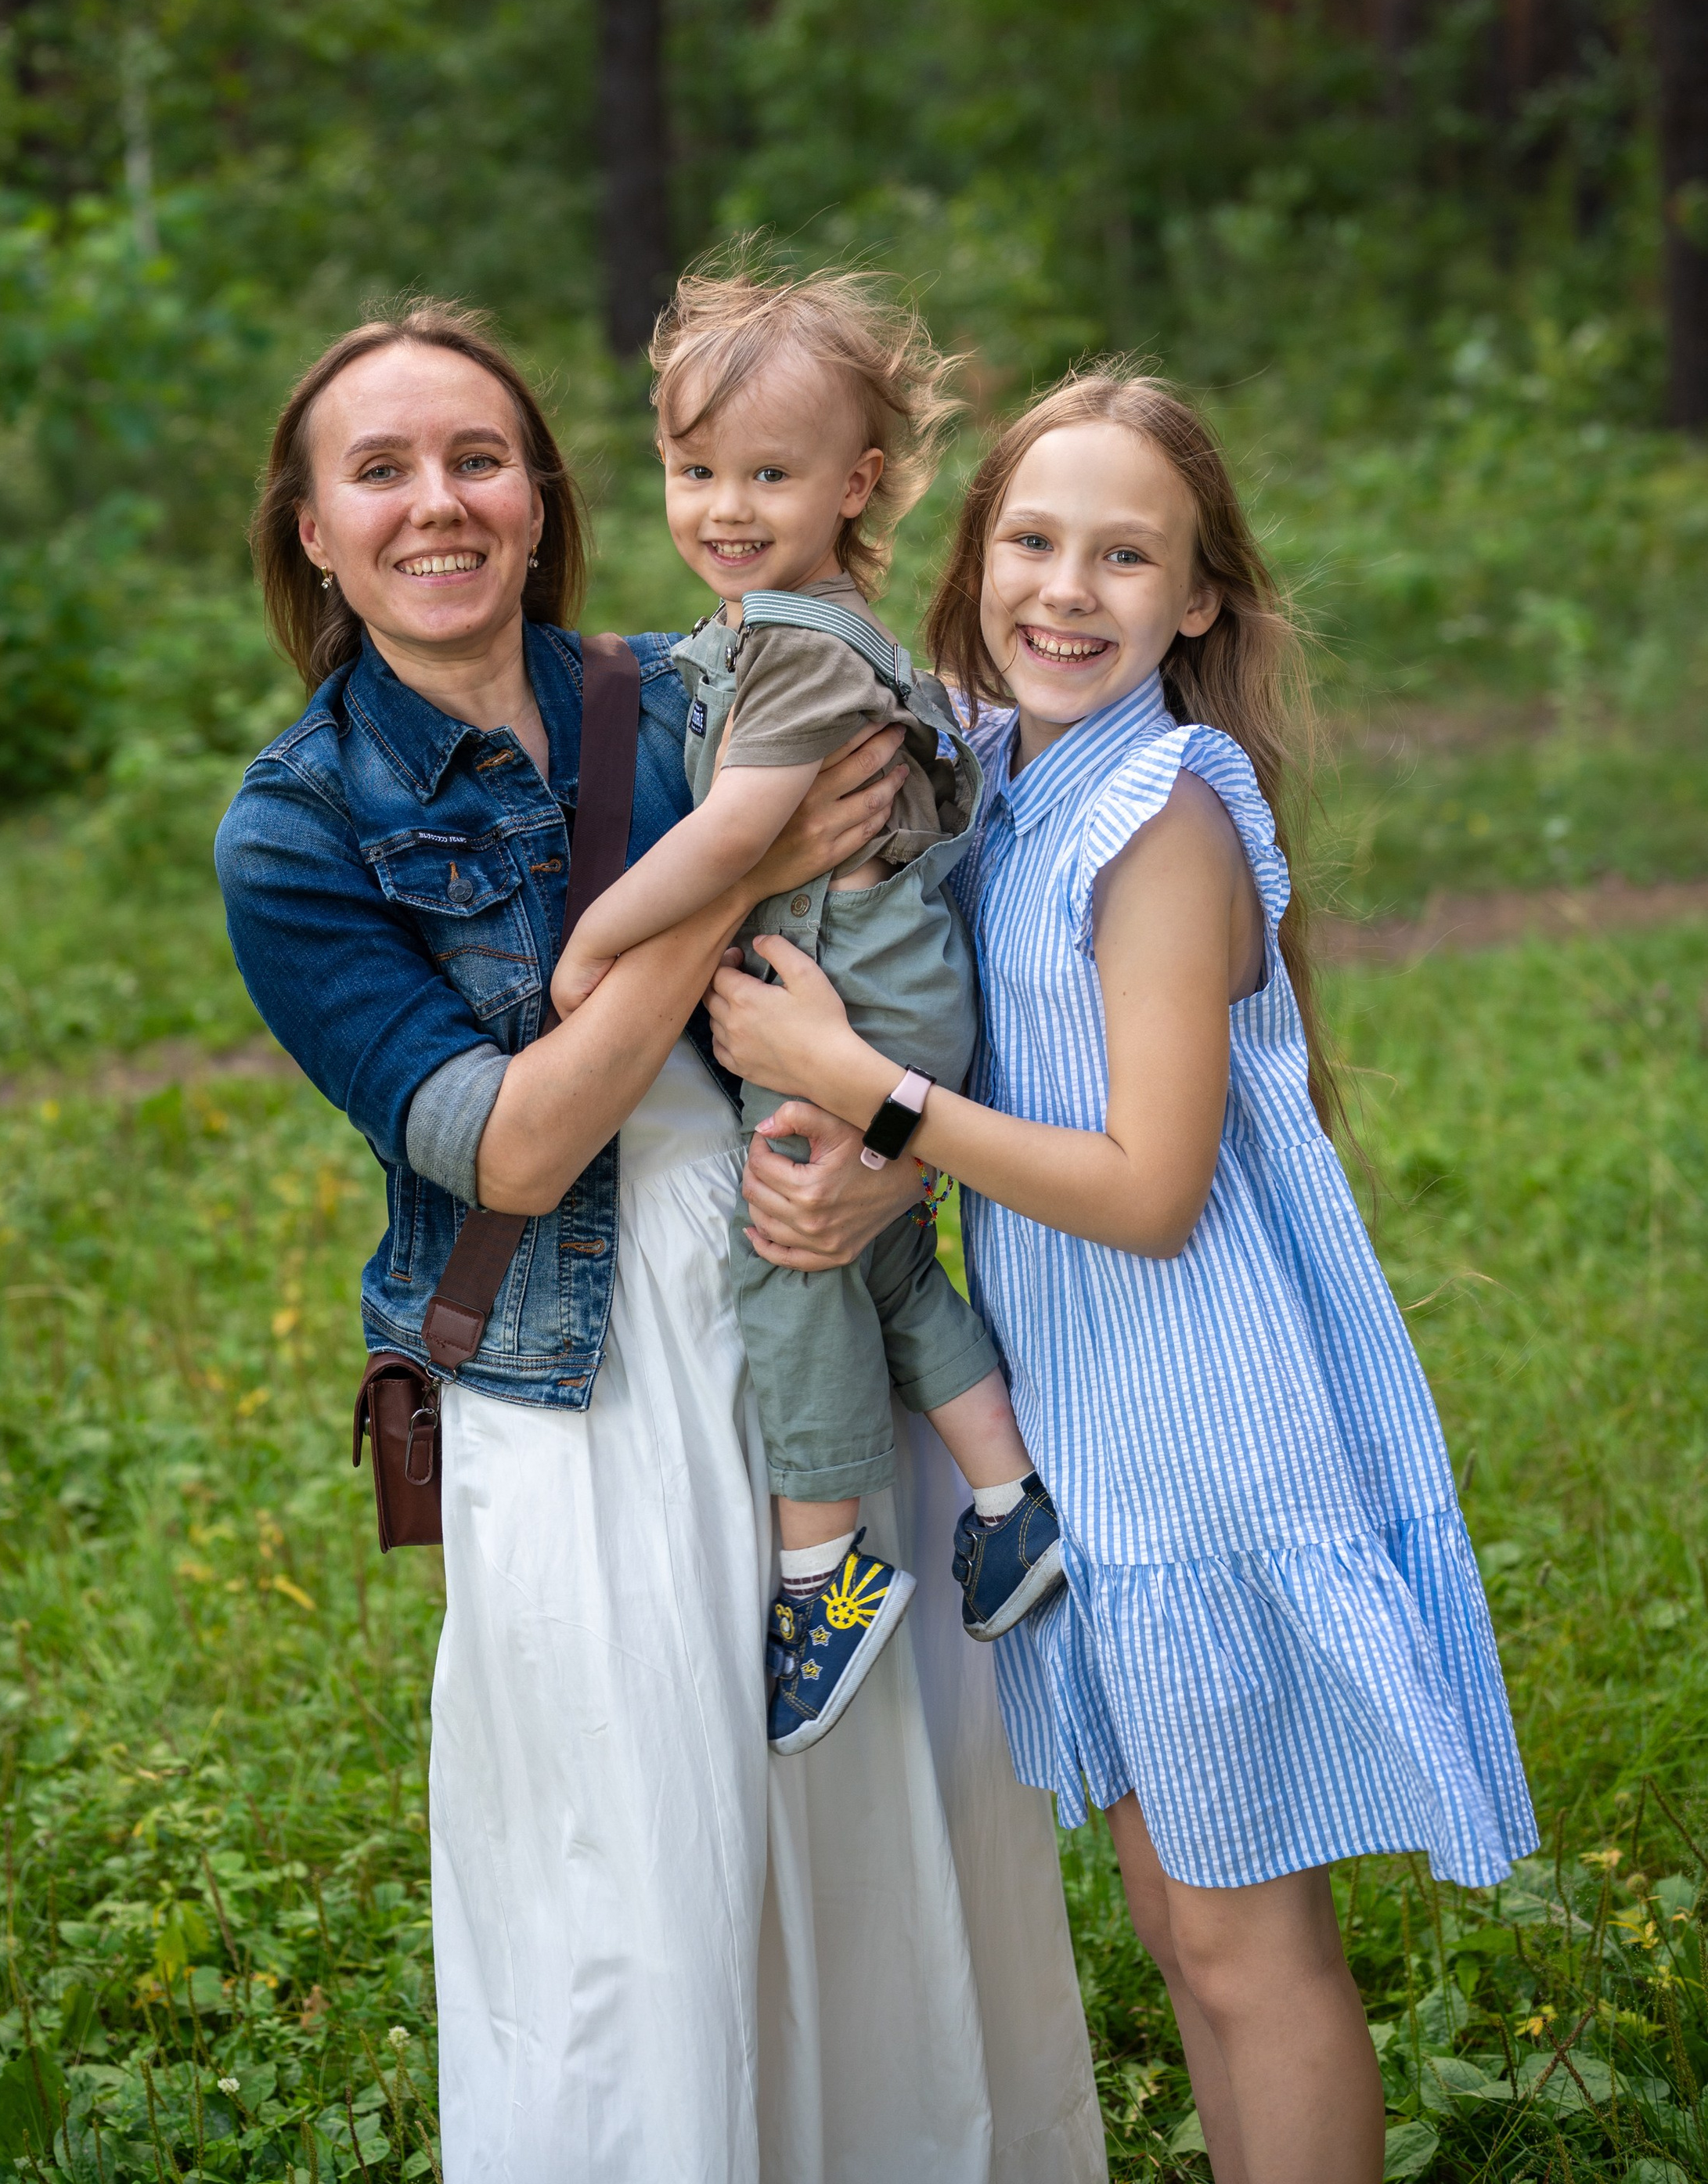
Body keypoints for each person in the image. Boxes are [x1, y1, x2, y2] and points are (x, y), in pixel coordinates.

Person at [213, 304, 1107, 2184]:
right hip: (580, 1375)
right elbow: (517, 1145)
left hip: (808, 1279)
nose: (436, 502)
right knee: (637, 1886)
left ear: (538, 499)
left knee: (874, 1863)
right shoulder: (297, 829)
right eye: (378, 469)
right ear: (311, 527)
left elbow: (899, 937)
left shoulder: (694, 681)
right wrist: (731, 891)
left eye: (477, 457)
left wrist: (879, 1151)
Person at [706, 362, 1538, 2184]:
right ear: (970, 555)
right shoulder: (998, 775)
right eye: (1028, 539)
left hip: (1193, 1421)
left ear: (1198, 597)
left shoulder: (1155, 809)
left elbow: (1148, 1188)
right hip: (1090, 1415)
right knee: (1182, 1931)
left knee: (1246, 1949)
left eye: (1122, 556)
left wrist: (869, 1094)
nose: (1061, 591)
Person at [553, 263, 1065, 1757]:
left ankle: (822, 1571)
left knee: (788, 1250)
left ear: (857, 485)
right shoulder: (800, 624)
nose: (722, 506)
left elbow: (732, 840)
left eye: (767, 473)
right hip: (894, 995)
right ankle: (1005, 1498)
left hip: (861, 1011)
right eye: (692, 469)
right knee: (886, 1257)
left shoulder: (788, 646)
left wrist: (599, 939)